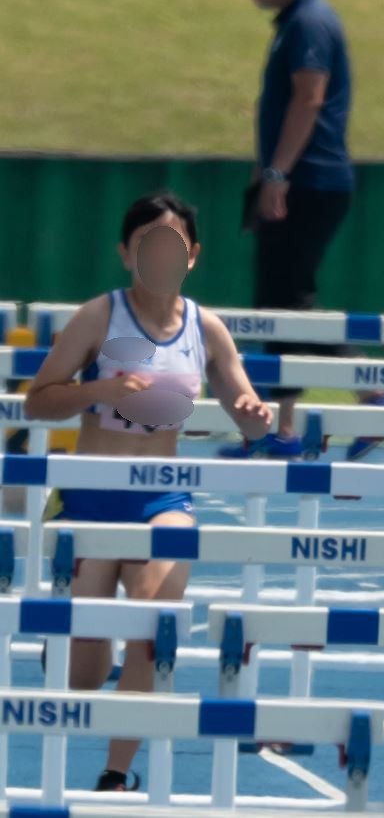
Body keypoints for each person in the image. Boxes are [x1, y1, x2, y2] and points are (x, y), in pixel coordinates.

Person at [24, 192, 273, 792]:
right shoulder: (96, 318)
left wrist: (255, 416)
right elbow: (38, 400)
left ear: (192, 255)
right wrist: (97, 392)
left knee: (154, 622)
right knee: (83, 677)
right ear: (127, 251)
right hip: (88, 499)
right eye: (147, 244)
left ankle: (116, 772)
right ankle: (73, 646)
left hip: (162, 501)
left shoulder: (205, 327)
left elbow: (246, 411)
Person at [229, 0, 384, 461]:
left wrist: (278, 174)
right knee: (280, 304)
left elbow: (309, 99)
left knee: (291, 304)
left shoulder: (309, 20)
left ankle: (374, 393)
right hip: (300, 180)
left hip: (310, 181)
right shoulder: (295, 22)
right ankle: (282, 428)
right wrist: (264, 174)